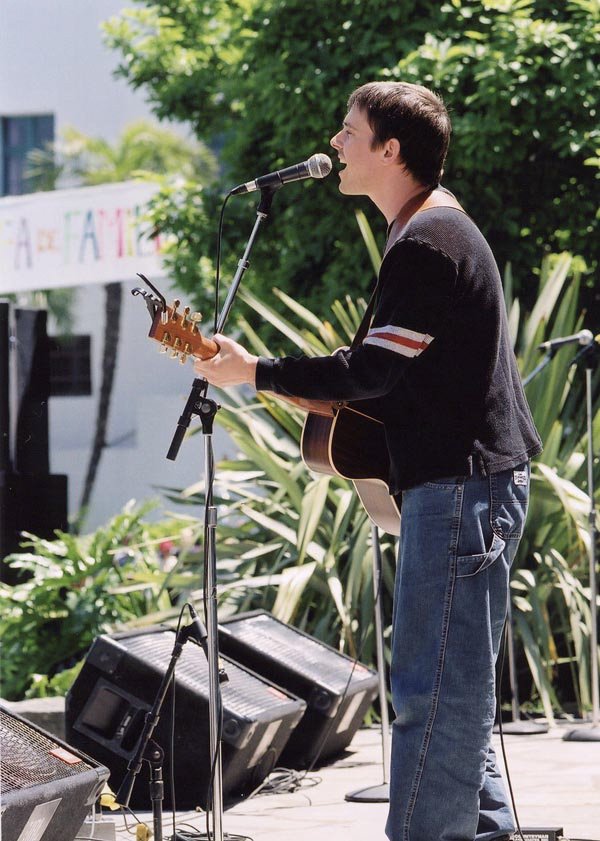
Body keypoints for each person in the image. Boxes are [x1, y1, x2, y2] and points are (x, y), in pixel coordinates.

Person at [193, 81, 542, 841]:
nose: (336, 143)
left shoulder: (427, 241)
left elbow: (370, 372)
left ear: (391, 149)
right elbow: (395, 378)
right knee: (452, 690)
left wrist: (254, 372)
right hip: (467, 484)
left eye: (349, 131)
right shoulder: (423, 231)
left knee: (433, 693)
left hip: (461, 489)